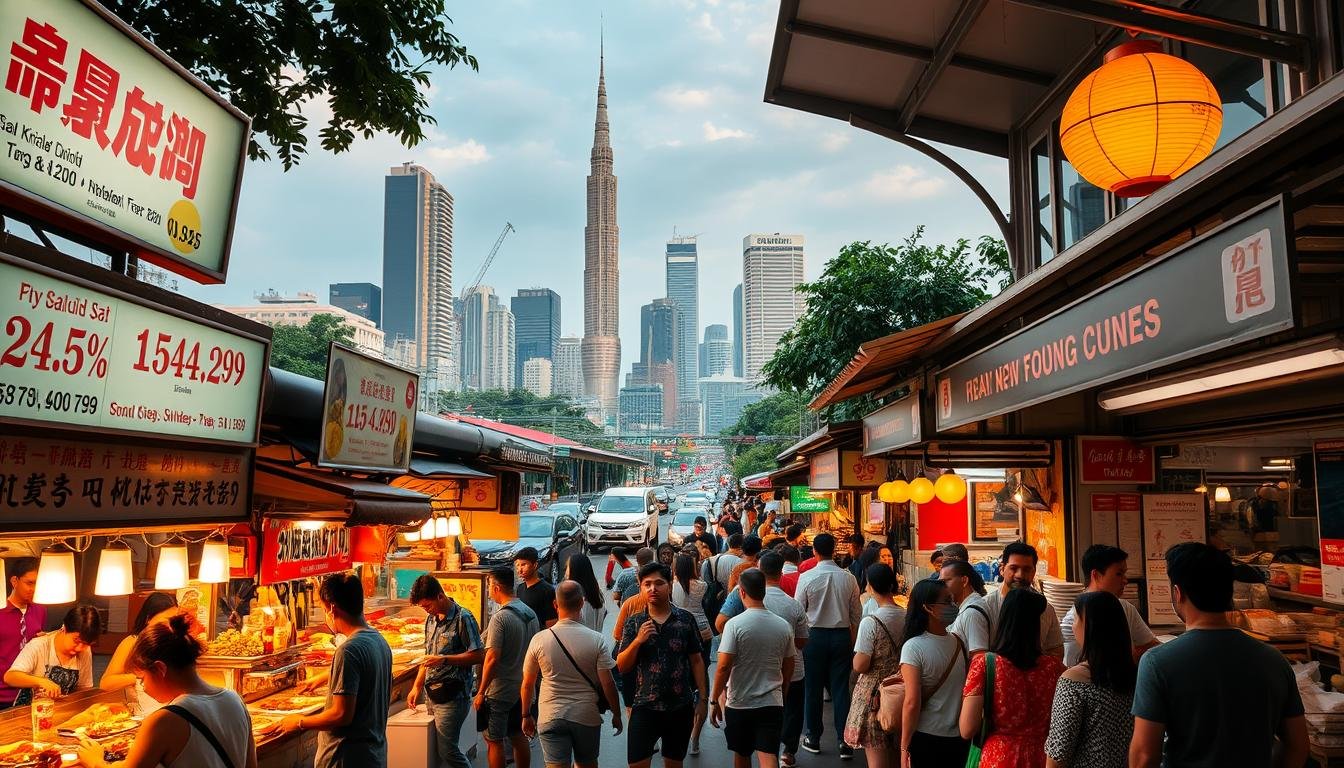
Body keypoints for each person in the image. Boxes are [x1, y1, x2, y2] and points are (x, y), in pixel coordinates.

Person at [1129, 542, 1307, 768]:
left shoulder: (1157, 663)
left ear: (1178, 593)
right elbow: (1298, 746)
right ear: (1228, 592)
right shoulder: (1274, 660)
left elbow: (1144, 756)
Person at [76, 614, 259, 768]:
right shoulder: (235, 700)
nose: (144, 687)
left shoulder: (165, 719)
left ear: (160, 669)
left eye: (142, 679)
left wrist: (95, 761)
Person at [268, 573, 393, 767]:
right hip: (373, 755)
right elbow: (365, 671)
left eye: (323, 608)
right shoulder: (378, 641)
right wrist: (326, 677)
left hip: (345, 758)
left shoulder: (348, 650)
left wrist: (299, 722)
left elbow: (341, 715)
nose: (325, 614)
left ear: (333, 608)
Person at [716, 552, 808, 767]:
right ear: (780, 573)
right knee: (771, 747)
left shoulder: (738, 608)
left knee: (742, 752)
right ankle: (789, 752)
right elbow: (799, 646)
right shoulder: (792, 607)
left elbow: (723, 663)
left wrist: (715, 697)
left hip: (743, 691)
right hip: (778, 687)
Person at [616, 562, 709, 768]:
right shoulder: (634, 622)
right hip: (644, 706)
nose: (652, 589)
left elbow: (696, 660)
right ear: (640, 587)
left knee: (674, 763)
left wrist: (703, 698)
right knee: (637, 763)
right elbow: (622, 666)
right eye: (647, 584)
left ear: (669, 585)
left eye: (659, 583)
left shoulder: (685, 619)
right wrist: (638, 641)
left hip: (680, 706)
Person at [521, 581, 623, 768]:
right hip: (586, 715)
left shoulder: (539, 639)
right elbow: (608, 683)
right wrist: (617, 714)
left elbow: (527, 683)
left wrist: (526, 715)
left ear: (555, 604)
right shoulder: (597, 640)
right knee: (587, 764)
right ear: (582, 603)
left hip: (551, 715)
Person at [959, 588, 1064, 768]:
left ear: (1004, 619)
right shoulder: (1055, 668)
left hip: (999, 757)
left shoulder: (985, 664)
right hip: (1043, 757)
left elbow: (967, 729)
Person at [1045, 591, 1136, 768]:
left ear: (1091, 627)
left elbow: (1058, 753)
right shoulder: (1133, 676)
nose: (1073, 625)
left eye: (1077, 618)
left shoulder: (1073, 682)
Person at [407, 574, 485, 768]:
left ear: (440, 596)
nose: (426, 610)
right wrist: (416, 686)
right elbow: (427, 655)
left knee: (448, 750)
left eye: (427, 605)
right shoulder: (431, 620)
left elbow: (478, 655)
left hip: (453, 696)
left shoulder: (463, 618)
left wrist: (444, 659)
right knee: (435, 752)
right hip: (431, 694)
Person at [795, 533, 862, 759]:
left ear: (814, 551)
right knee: (841, 689)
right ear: (834, 550)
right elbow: (856, 614)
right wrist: (851, 640)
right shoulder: (849, 578)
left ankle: (813, 737)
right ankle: (845, 741)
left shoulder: (806, 577)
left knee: (812, 688)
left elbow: (798, 612)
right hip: (842, 635)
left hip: (814, 637)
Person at [897, 579, 969, 767]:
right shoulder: (958, 643)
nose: (953, 606)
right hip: (958, 738)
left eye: (952, 600)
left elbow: (912, 702)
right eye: (946, 601)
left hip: (926, 737)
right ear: (928, 608)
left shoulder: (913, 647)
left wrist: (904, 747)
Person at [844, 563, 907, 768]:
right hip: (901, 687)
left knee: (877, 756)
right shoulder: (906, 616)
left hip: (875, 696)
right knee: (899, 751)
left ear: (870, 586)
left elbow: (861, 664)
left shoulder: (871, 621)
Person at [477, 567, 539, 768]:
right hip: (523, 689)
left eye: (488, 587)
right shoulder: (530, 613)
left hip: (500, 692)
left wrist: (480, 692)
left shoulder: (500, 618)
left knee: (494, 741)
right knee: (517, 735)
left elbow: (492, 658)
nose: (488, 591)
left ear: (495, 588)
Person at [1060, 545, 1157, 667]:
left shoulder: (1126, 608)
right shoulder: (1075, 619)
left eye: (1124, 574)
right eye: (1119, 574)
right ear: (1096, 575)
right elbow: (1074, 666)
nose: (1125, 580)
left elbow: (1153, 647)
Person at [101, 592, 182, 713]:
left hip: (170, 712)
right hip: (142, 714)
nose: (169, 627)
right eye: (164, 622)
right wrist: (142, 676)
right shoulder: (132, 642)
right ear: (148, 619)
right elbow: (106, 683)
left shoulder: (172, 643)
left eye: (173, 622)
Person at [981, 542, 1064, 658]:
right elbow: (979, 656)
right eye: (1014, 568)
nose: (1020, 575)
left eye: (1026, 569)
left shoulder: (1045, 609)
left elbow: (1056, 651)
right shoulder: (985, 607)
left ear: (1034, 572)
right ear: (1002, 569)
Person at [4, 604, 100, 703]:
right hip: (30, 710)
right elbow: (10, 677)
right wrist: (42, 681)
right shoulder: (39, 645)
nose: (80, 648)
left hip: (61, 710)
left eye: (85, 644)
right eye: (76, 641)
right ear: (65, 628)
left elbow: (84, 689)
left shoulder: (85, 651)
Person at [0, 557, 44, 710]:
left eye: (38, 584)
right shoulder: (1, 611)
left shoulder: (40, 610)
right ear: (14, 581)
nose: (34, 589)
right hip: (3, 693)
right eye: (29, 583)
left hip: (30, 690)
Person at [941, 559, 990, 654]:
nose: (941, 587)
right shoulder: (966, 607)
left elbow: (978, 657)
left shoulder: (972, 613)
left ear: (964, 581)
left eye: (945, 581)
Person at [516, 547, 559, 629]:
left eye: (524, 565)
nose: (519, 570)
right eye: (517, 565)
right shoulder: (520, 588)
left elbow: (551, 623)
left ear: (535, 565)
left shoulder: (547, 590)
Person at [565, 553, 609, 632]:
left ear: (574, 570)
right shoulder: (596, 594)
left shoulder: (577, 599)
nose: (566, 571)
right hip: (596, 640)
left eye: (568, 567)